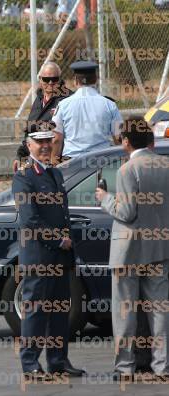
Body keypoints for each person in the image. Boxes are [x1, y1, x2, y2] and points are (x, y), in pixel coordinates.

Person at [95, 116, 169, 381]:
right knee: (160, 311)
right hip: (160, 248)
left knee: (125, 312)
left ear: (126, 141)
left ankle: (125, 368)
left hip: (127, 252)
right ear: (149, 139)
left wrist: (105, 198)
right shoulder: (166, 165)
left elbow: (125, 212)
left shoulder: (128, 170)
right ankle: (163, 367)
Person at [12, 126, 86, 380]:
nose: (45, 146)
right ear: (28, 145)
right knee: (35, 310)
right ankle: (30, 362)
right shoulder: (24, 176)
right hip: (40, 256)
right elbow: (29, 220)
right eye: (39, 142)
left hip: (60, 256)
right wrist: (58, 240)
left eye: (48, 141)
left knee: (59, 310)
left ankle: (58, 360)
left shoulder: (54, 172)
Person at [51, 61, 123, 163]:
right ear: (95, 80)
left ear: (76, 80)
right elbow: (118, 137)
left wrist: (54, 164)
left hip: (72, 163)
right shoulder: (109, 104)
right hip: (101, 161)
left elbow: (56, 139)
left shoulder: (63, 105)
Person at [14, 62, 72, 171]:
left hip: (59, 160)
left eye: (54, 79)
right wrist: (21, 156)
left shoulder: (68, 100)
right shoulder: (39, 99)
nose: (50, 83)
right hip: (39, 158)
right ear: (40, 80)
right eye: (46, 79)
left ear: (60, 79)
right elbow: (30, 131)